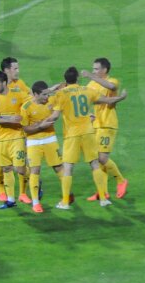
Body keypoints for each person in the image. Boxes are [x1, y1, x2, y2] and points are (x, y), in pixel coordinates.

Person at [48, 67, 126, 210]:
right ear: (77, 79)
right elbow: (106, 100)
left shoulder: (61, 94)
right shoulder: (87, 90)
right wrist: (120, 98)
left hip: (72, 135)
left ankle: (65, 202)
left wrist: (45, 121)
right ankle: (103, 198)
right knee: (95, 164)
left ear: (65, 81)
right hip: (89, 132)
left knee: (68, 168)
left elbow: (54, 114)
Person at [82, 58, 129, 200]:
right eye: (93, 69)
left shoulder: (113, 81)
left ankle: (121, 180)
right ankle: (102, 192)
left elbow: (111, 87)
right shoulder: (91, 84)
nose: (93, 71)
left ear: (105, 70)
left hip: (108, 123)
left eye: (96, 69)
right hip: (96, 124)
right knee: (96, 159)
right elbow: (86, 100)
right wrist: (87, 115)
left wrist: (91, 76)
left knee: (102, 158)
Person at [0, 57, 31, 203]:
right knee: (3, 165)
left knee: (20, 164)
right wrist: (9, 118)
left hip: (19, 132)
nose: (18, 71)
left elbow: (31, 96)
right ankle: (2, 190)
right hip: (2, 135)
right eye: (15, 68)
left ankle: (23, 193)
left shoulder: (19, 84)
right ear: (6, 71)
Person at [20, 81, 65, 213]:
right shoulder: (26, 107)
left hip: (50, 139)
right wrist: (40, 126)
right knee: (35, 171)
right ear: (35, 94)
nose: (47, 97)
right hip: (33, 142)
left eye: (47, 93)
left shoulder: (51, 100)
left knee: (58, 168)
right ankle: (36, 203)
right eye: (44, 94)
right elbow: (26, 129)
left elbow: (57, 113)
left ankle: (67, 195)